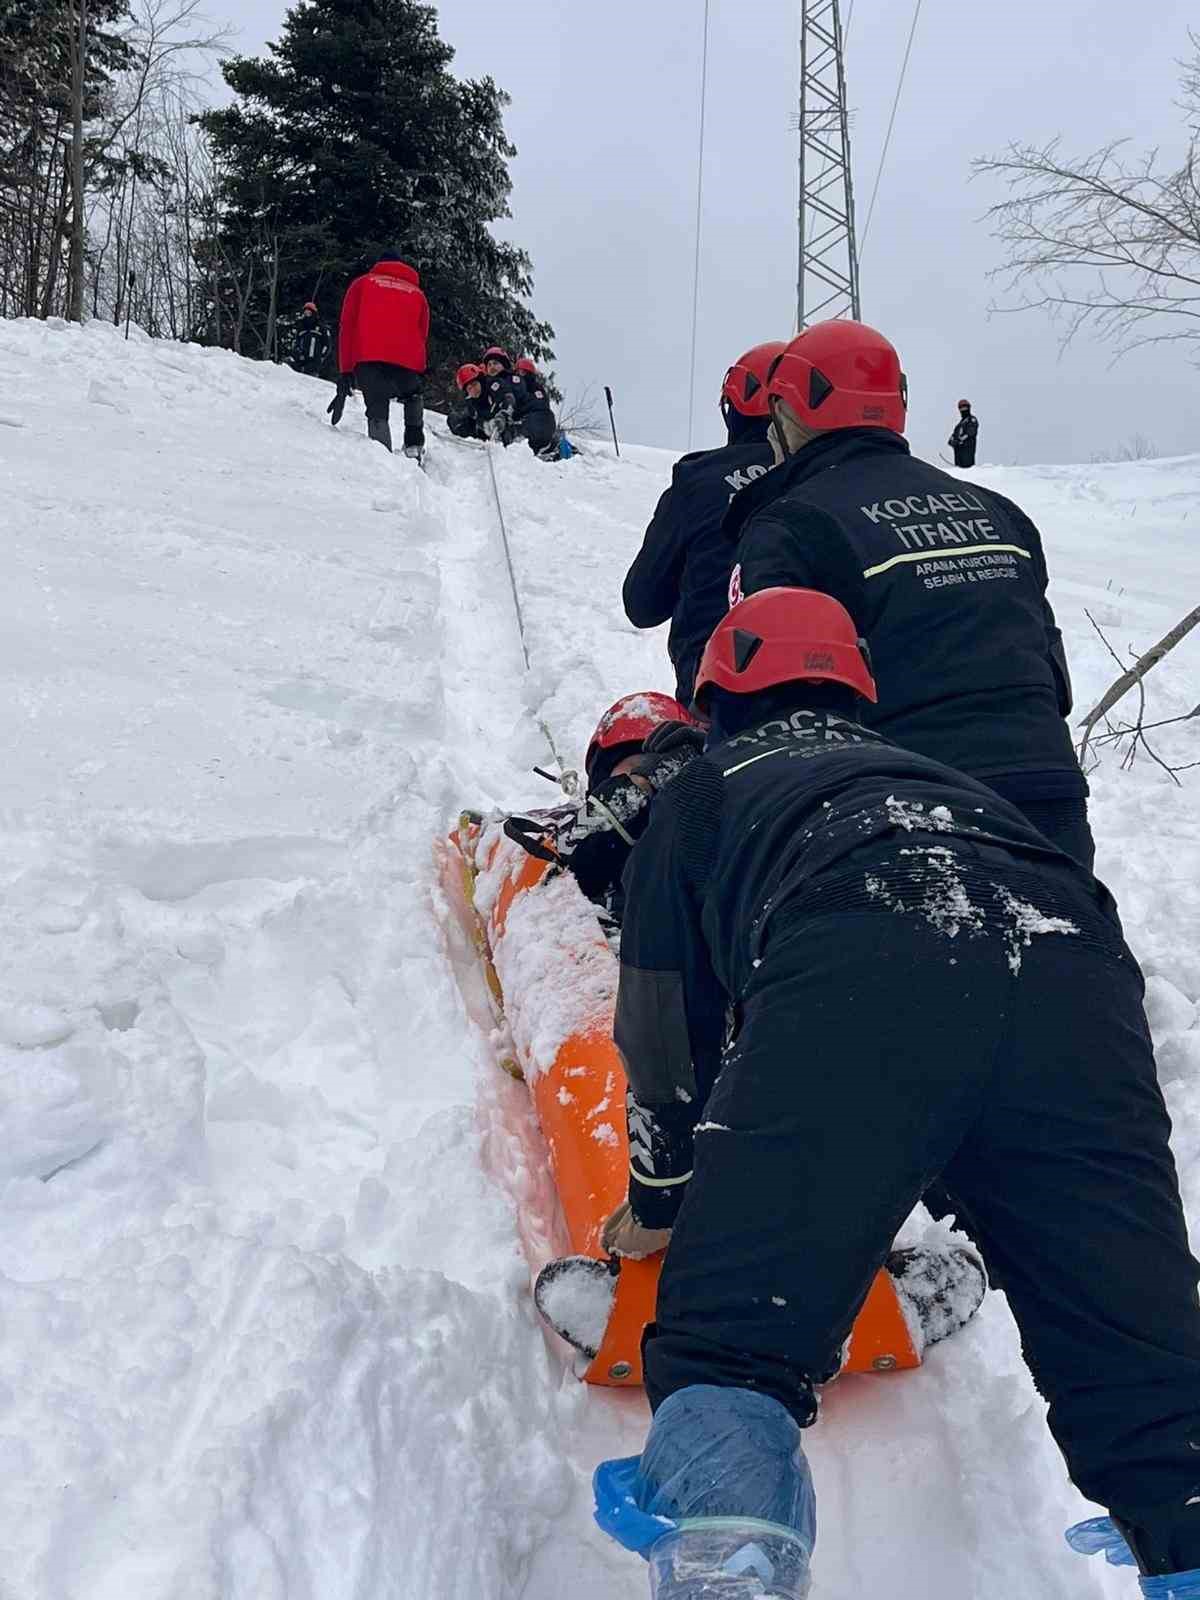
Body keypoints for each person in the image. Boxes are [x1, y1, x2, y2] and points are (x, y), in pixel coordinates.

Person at [594, 587, 1200, 1600]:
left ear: (718, 696)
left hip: (863, 943)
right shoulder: (941, 778)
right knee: (1150, 1383)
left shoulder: (703, 789)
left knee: (732, 1341)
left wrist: (664, 1198)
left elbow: (664, 1036)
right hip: (1076, 971)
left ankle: (724, 1563)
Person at [725, 320, 1094, 866]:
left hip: (898, 811)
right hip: (1049, 805)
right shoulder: (1000, 514)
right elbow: (1052, 676)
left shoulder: (789, 525)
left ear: (788, 413)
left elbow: (766, 707)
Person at [622, 342, 785, 708]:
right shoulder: (835, 478)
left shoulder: (698, 481)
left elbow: (642, 603)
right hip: (832, 688)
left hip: (715, 689)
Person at [329, 258, 429, 460]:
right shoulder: (418, 294)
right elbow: (422, 333)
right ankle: (414, 445)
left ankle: (383, 458)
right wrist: (419, 369)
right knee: (413, 395)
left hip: (368, 358)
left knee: (377, 406)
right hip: (407, 362)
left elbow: (347, 327)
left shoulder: (362, 283)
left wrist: (346, 371)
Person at [512, 356, 563, 460]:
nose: (519, 376)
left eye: (522, 372)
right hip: (538, 425)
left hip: (537, 423)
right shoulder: (516, 389)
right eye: (517, 373)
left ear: (529, 374)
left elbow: (538, 405)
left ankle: (545, 448)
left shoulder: (535, 388)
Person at [477, 346, 524, 445]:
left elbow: (515, 399)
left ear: (503, 365)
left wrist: (505, 413)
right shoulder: (486, 384)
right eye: (489, 365)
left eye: (495, 363)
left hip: (510, 421)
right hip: (490, 423)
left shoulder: (512, 379)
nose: (491, 367)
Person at [447, 363, 491, 441]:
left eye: (475, 384)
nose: (474, 390)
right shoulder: (471, 403)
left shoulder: (492, 392)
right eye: (470, 388)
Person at [290, 301, 329, 376]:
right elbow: (296, 342)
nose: (307, 315)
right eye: (306, 313)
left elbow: (326, 344)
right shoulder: (301, 327)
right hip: (302, 361)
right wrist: (298, 353)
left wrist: (321, 356)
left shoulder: (321, 328)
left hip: (315, 361)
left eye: (309, 313)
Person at [950, 397, 979, 467]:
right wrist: (951, 441)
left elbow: (971, 432)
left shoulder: (972, 420)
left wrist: (959, 440)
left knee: (967, 470)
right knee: (959, 471)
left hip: (967, 451)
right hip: (958, 453)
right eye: (961, 408)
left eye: (965, 408)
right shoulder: (959, 425)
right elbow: (953, 435)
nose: (963, 410)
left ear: (969, 408)